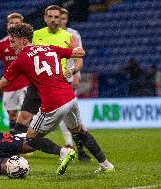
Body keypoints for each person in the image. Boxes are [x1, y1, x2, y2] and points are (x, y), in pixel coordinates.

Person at [0, 23, 114, 174]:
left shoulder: (21, 59)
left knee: (31, 139)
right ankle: (106, 165)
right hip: (70, 98)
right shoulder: (50, 48)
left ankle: (64, 152)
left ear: (23, 41)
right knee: (79, 131)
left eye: (13, 40)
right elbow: (80, 53)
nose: (11, 44)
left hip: (53, 103)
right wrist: (74, 47)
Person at [14, 5, 91, 161]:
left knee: (73, 123)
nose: (55, 20)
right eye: (51, 17)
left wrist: (75, 72)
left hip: (61, 83)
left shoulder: (70, 36)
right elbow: (26, 54)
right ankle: (14, 150)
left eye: (58, 17)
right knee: (23, 117)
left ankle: (81, 151)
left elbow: (78, 59)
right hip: (38, 84)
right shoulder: (36, 35)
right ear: (45, 18)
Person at [0, 13, 29, 134]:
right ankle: (14, 139)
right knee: (11, 114)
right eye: (12, 23)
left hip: (26, 83)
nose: (14, 25)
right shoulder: (2, 43)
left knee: (26, 113)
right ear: (7, 25)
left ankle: (29, 140)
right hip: (9, 84)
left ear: (22, 25)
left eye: (17, 23)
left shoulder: (27, 41)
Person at [59, 7, 91, 161]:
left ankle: (76, 146)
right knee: (64, 114)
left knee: (71, 113)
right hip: (54, 79)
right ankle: (72, 145)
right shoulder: (48, 35)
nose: (61, 21)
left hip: (70, 77)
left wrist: (76, 74)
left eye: (64, 18)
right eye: (60, 18)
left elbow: (79, 56)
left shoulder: (73, 34)